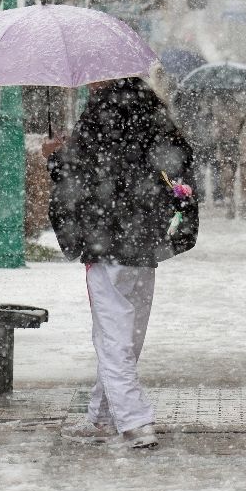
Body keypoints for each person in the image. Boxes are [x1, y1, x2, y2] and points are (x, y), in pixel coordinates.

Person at [44, 77, 197, 448]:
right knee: (128, 334)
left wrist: (55, 156)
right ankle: (101, 415)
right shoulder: (152, 110)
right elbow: (180, 160)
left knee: (112, 336)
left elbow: (77, 178)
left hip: (106, 239)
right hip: (145, 241)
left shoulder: (98, 115)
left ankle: (135, 422)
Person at [212, 93, 246, 219]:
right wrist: (218, 132)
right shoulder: (220, 103)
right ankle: (229, 202)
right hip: (227, 144)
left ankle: (244, 205)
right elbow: (216, 126)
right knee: (227, 176)